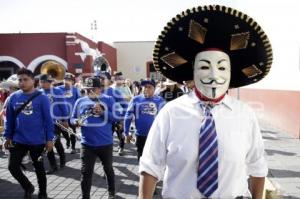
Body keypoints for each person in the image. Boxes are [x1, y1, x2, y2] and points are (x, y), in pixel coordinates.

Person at [139, 5, 272, 199]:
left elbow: (257, 166)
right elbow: (151, 166)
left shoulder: (245, 114)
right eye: (204, 66)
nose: (213, 75)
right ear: (192, 72)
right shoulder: (171, 112)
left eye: (221, 67)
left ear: (230, 73)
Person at [3, 68, 54, 199]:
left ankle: (43, 193)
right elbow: (10, 119)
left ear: (33, 80)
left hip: (37, 141)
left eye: (25, 79)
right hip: (18, 140)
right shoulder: (13, 97)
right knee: (12, 167)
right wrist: (7, 137)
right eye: (20, 80)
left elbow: (48, 121)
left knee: (39, 169)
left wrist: (49, 139)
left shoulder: (42, 98)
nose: (22, 82)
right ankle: (28, 187)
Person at [71, 76, 122, 199]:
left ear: (100, 89)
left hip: (105, 143)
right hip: (87, 144)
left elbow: (116, 117)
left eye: (92, 89)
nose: (89, 92)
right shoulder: (80, 101)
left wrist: (102, 112)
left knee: (108, 169)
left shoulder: (109, 99)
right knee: (86, 173)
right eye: (87, 89)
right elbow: (72, 118)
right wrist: (75, 122)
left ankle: (111, 192)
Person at [123, 79, 165, 161]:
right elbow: (128, 116)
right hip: (140, 134)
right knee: (141, 157)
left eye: (149, 87)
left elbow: (165, 119)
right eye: (145, 87)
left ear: (154, 88)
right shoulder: (136, 99)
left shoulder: (160, 100)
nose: (146, 89)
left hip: (156, 135)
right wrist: (126, 132)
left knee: (154, 158)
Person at [39, 74, 69, 174]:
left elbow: (63, 106)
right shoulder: (38, 92)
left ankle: (62, 158)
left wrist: (65, 120)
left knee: (56, 142)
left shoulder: (57, 91)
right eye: (41, 82)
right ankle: (53, 165)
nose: (42, 84)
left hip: (55, 122)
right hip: (43, 123)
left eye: (44, 82)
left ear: (50, 82)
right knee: (46, 143)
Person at [99, 71, 128, 156]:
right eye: (98, 78)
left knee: (120, 135)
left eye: (102, 78)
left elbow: (125, 106)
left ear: (108, 80)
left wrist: (122, 118)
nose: (100, 80)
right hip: (101, 121)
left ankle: (121, 147)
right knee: (106, 139)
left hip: (115, 120)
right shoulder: (94, 92)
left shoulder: (114, 92)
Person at [57, 72, 80, 153]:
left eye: (69, 80)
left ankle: (73, 147)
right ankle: (67, 140)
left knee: (72, 131)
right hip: (62, 115)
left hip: (72, 115)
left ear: (73, 81)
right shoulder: (58, 89)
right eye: (66, 79)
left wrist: (78, 114)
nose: (67, 81)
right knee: (64, 132)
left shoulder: (75, 89)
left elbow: (79, 101)